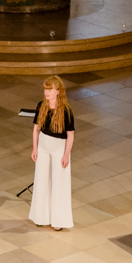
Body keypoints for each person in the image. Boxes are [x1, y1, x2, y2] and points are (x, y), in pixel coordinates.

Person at [28, 75, 76, 230]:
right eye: (45, 89)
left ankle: (58, 220)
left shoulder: (66, 111)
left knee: (59, 182)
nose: (46, 92)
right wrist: (35, 148)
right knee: (41, 180)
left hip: (59, 147)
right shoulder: (41, 105)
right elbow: (36, 129)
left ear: (58, 91)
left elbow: (70, 134)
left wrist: (66, 154)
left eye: (50, 89)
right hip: (43, 145)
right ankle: (40, 216)